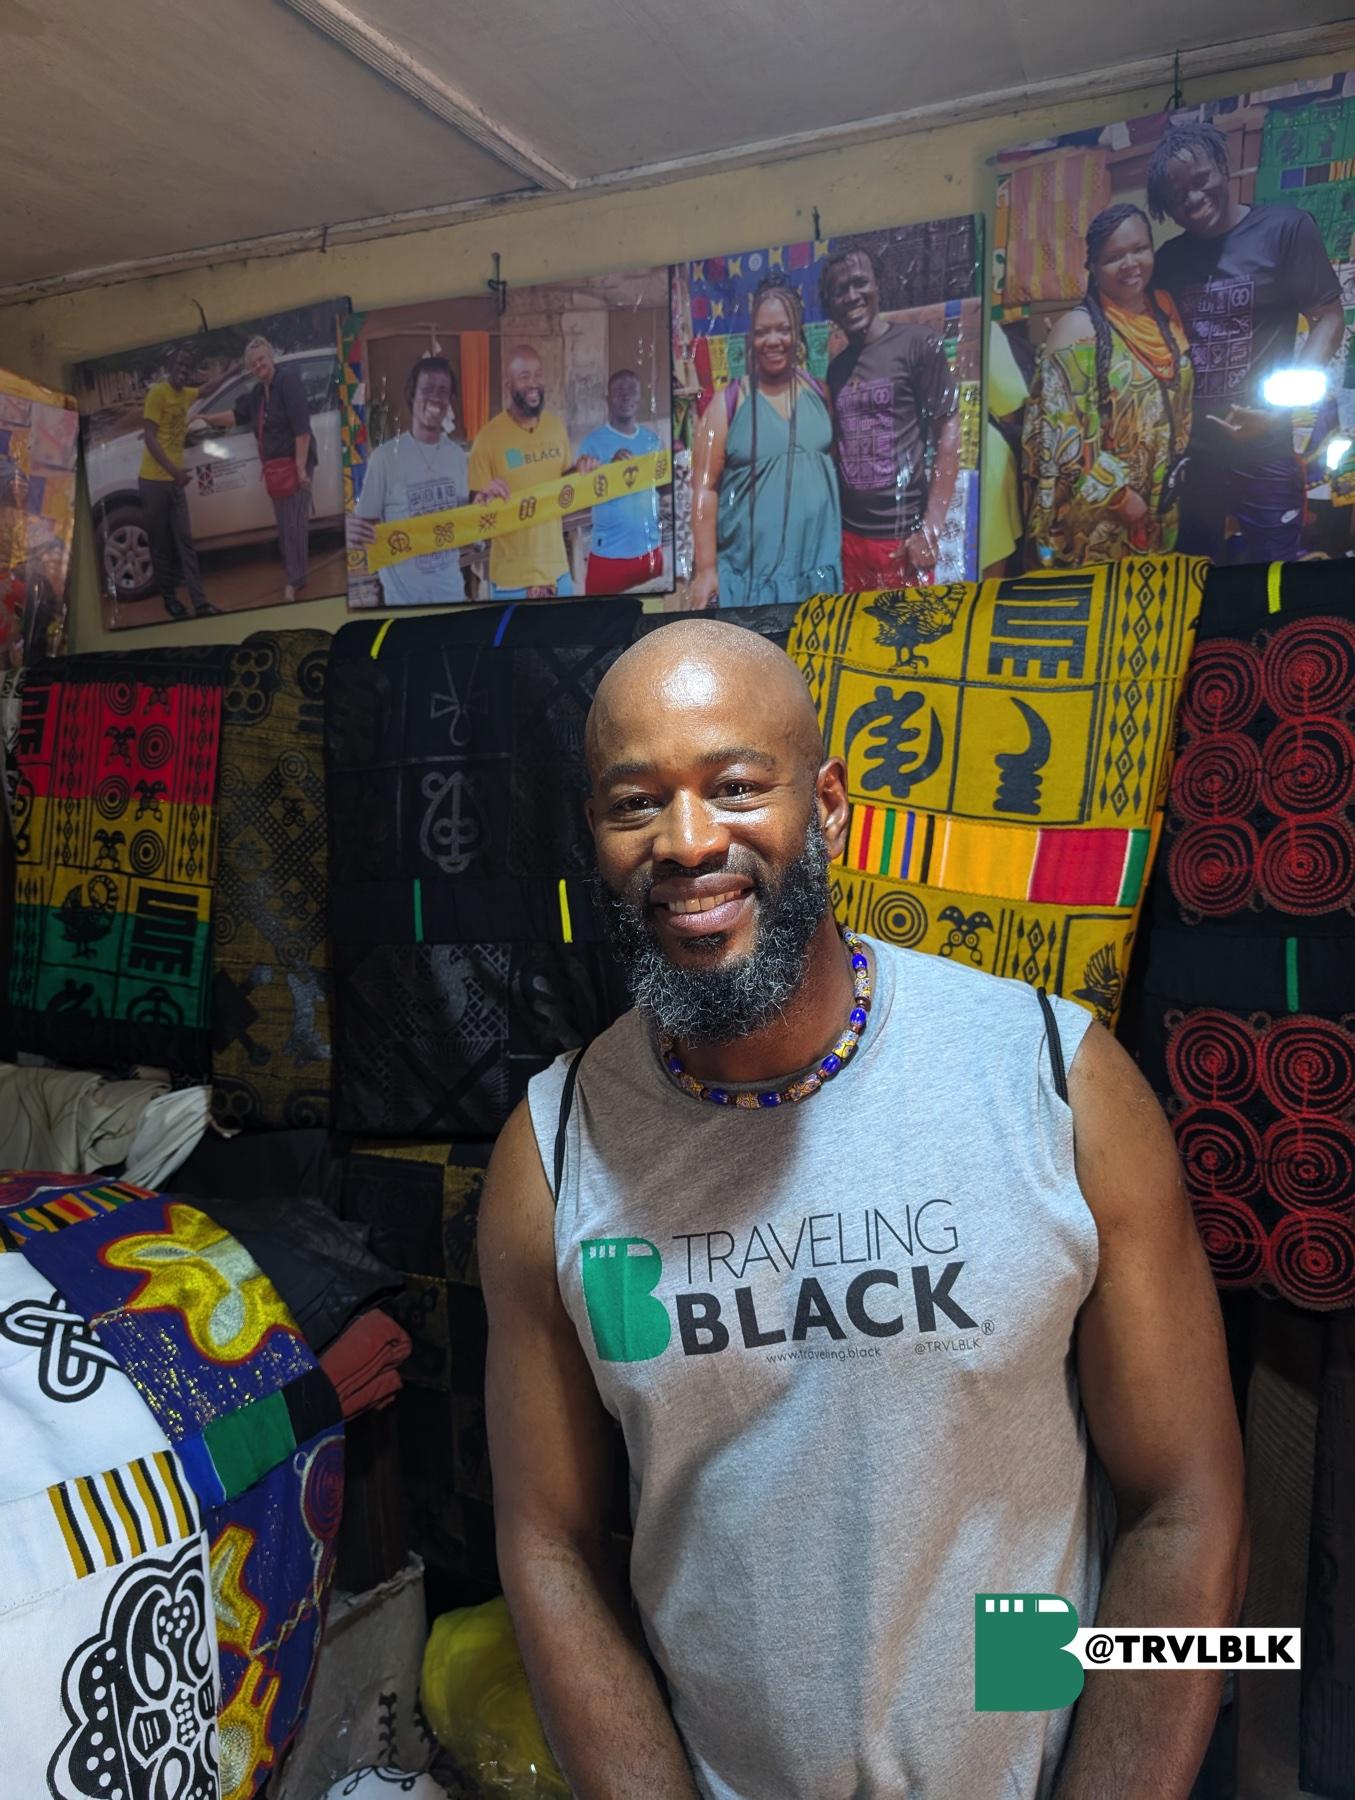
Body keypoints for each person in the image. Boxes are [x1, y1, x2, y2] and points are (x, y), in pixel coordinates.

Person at [481, 618, 1247, 1800]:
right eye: (636, 803)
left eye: (736, 786)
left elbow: (1185, 1511)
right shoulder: (553, 1151)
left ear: (827, 805)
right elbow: (549, 1546)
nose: (687, 841)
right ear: (597, 832)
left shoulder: (1052, 1080)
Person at [1147, 120, 1345, 562]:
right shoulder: (1168, 261)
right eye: (1178, 195)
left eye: (1201, 180)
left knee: (1272, 576)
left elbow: (1329, 318)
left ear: (1224, 167)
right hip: (1194, 456)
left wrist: (1281, 410)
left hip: (1266, 447)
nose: (1193, 199)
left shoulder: (1285, 229)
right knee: (1196, 578)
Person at [1021, 203, 1194, 568]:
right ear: (1094, 268)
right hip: (1096, 519)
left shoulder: (1164, 312)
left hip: (1160, 506)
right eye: (1114, 257)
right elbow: (1057, 441)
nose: (1130, 263)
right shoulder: (1077, 332)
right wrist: (1120, 497)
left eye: (1139, 249)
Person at [689, 276, 840, 608]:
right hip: (750, 584)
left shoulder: (820, 394)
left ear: (797, 332)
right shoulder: (727, 405)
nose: (773, 341)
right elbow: (704, 488)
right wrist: (706, 569)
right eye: (762, 332)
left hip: (816, 579)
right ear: (751, 337)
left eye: (783, 329)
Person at [822, 246, 961, 588]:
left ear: (878, 284)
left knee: (908, 624)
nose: (851, 296)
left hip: (902, 543)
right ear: (831, 302)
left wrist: (930, 529)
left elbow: (948, 429)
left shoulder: (919, 345)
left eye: (860, 283)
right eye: (840, 289)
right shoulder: (836, 369)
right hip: (850, 541)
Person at [467, 346, 599, 599]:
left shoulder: (555, 428)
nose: (533, 384)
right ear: (508, 385)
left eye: (538, 375)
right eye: (524, 376)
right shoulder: (487, 439)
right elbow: (474, 512)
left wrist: (580, 469)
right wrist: (484, 497)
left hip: (558, 575)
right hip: (511, 583)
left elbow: (562, 487)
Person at [347, 355, 471, 606]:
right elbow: (362, 531)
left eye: (443, 391)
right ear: (412, 395)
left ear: (450, 401)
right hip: (404, 604)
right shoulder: (384, 458)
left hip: (453, 596)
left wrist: (487, 501)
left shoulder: (457, 456)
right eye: (427, 389)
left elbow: (465, 520)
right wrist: (350, 530)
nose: (435, 397)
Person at [201, 335, 316, 602]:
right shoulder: (257, 394)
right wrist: (206, 418)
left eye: (261, 359)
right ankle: (296, 576)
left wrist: (300, 469)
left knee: (294, 525)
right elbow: (236, 416)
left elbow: (302, 430)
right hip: (277, 471)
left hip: (295, 464)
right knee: (286, 526)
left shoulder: (287, 381)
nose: (258, 365)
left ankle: (295, 580)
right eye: (253, 363)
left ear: (271, 357)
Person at [138, 345, 217, 620]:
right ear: (169, 367)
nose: (183, 370)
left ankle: (200, 602)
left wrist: (235, 370)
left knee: (186, 543)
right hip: (153, 483)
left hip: (175, 482)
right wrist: (175, 472)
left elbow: (206, 390)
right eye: (179, 365)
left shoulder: (185, 395)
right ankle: (170, 600)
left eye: (187, 366)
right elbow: (149, 438)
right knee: (161, 545)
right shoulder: (157, 394)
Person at [577, 368, 665, 595]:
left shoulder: (653, 442)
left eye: (632, 390)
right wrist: (611, 470)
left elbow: (663, 489)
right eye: (619, 391)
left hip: (650, 552)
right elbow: (580, 495)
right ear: (608, 399)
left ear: (640, 397)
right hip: (608, 556)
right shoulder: (592, 443)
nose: (626, 396)